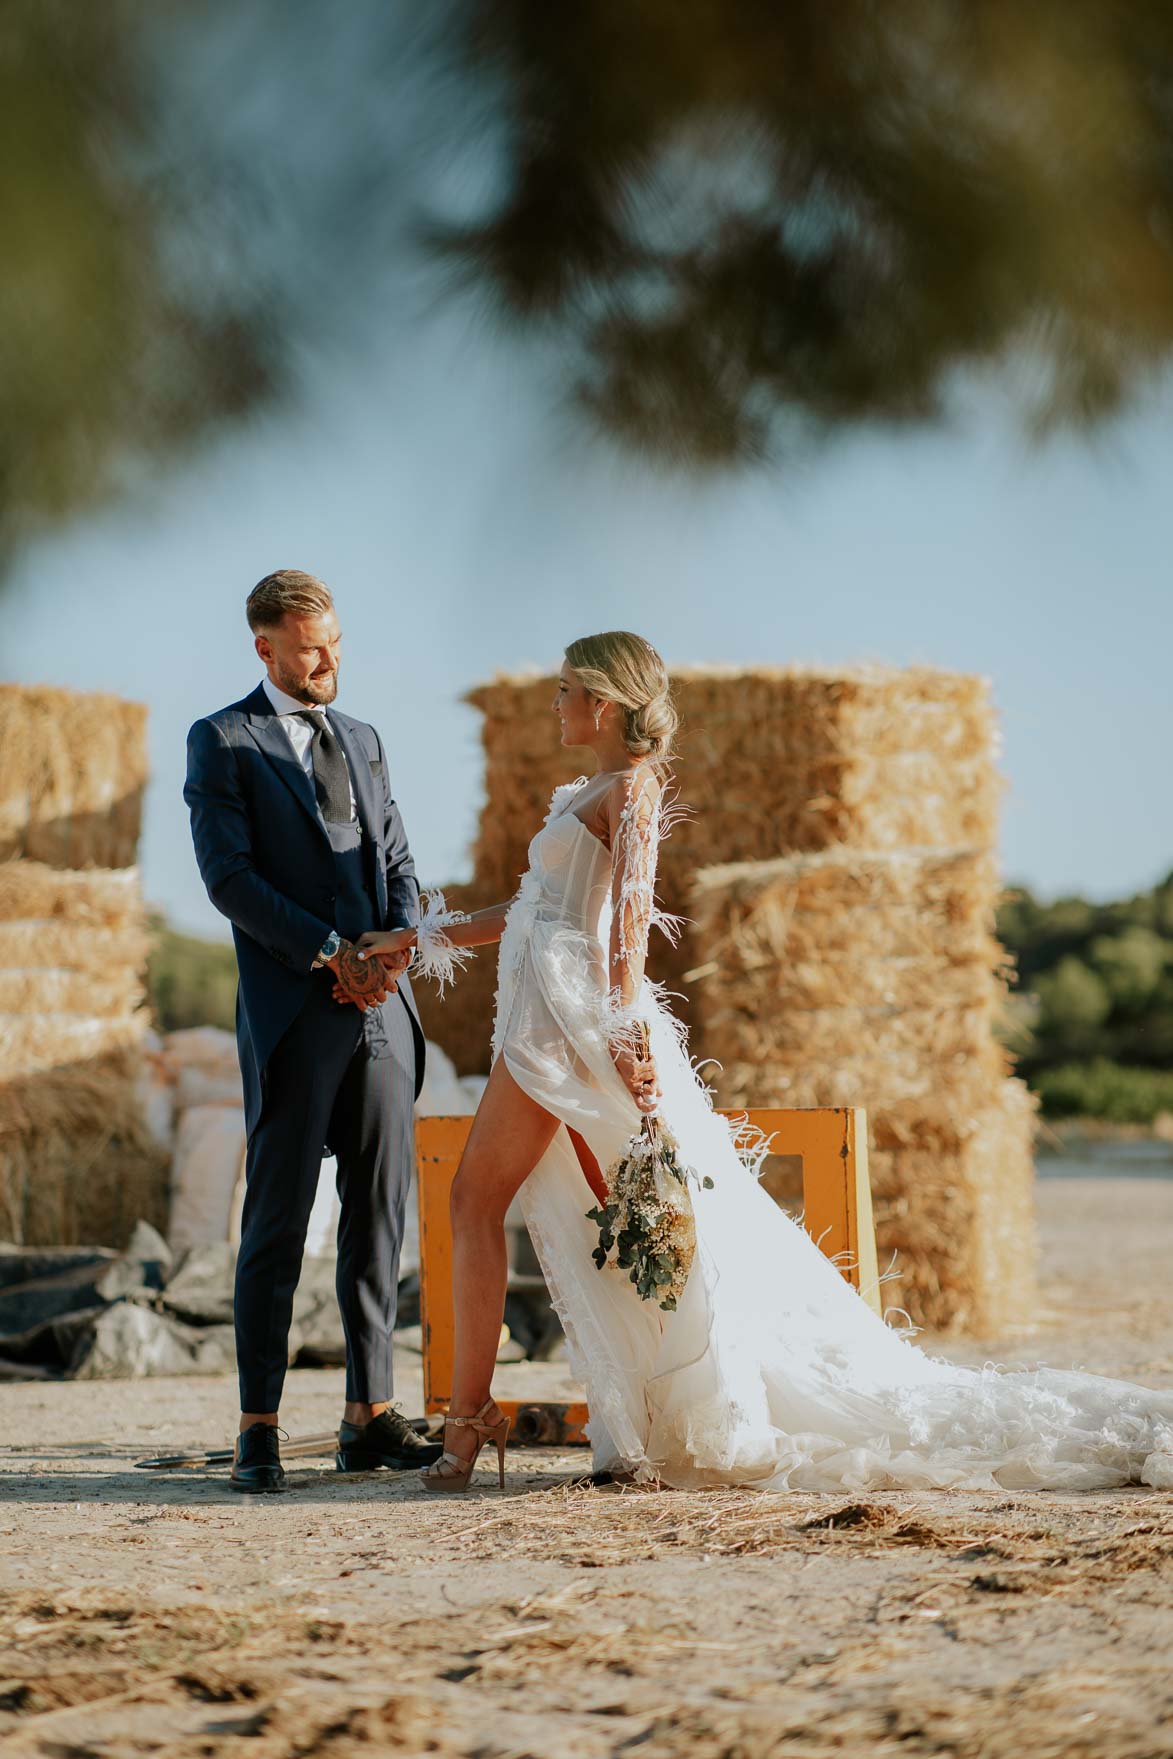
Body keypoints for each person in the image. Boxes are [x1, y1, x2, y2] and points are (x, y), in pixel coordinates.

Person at [358, 630, 1173, 1495]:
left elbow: (630, 926)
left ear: (602, 700)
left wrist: (629, 1038)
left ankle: (479, 1423)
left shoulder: (631, 789)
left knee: (511, 1203)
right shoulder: (587, 789)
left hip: (572, 1027)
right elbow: (529, 905)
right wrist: (418, 939)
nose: (553, 704)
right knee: (582, 1215)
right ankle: (539, 1413)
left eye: (564, 689)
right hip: (544, 1016)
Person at [184, 569, 441, 1492]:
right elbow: (229, 879)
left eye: (333, 641)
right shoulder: (220, 740)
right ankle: (258, 1425)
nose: (327, 658)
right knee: (278, 1222)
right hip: (296, 1013)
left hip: (384, 1016)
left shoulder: (366, 740)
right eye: (308, 646)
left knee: (379, 1218)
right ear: (265, 648)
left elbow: (400, 857)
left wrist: (397, 943)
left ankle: (367, 1415)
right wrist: (333, 950)